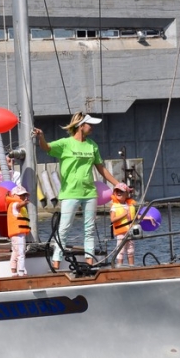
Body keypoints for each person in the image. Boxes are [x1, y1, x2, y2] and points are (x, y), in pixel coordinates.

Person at [33, 112, 121, 270]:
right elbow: (46, 147)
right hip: (70, 194)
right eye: (90, 125)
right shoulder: (65, 144)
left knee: (89, 230)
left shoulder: (92, 145)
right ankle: (56, 264)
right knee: (64, 229)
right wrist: (41, 137)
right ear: (81, 126)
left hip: (89, 194)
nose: (92, 127)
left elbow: (101, 169)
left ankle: (89, 264)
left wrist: (117, 184)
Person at [109, 182, 138, 266]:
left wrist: (148, 218)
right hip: (121, 233)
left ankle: (131, 267)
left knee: (131, 250)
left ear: (126, 194)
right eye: (117, 191)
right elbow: (112, 219)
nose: (118, 193)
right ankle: (119, 267)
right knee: (120, 251)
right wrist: (123, 214)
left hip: (130, 231)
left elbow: (135, 217)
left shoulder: (129, 205)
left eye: (121, 191)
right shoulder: (115, 206)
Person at [6, 185, 31, 276]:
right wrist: (24, 202)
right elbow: (19, 205)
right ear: (14, 195)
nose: (23, 197)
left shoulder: (13, 205)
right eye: (21, 195)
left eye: (24, 195)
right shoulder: (14, 204)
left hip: (17, 233)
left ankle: (13, 271)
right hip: (18, 234)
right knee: (21, 252)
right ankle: (21, 272)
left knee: (15, 252)